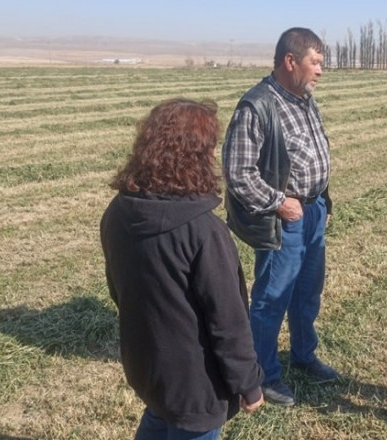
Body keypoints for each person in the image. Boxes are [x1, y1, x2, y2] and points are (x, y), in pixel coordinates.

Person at [100, 98, 264, 440]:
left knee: (159, 418)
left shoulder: (117, 212)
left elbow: (119, 290)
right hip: (196, 386)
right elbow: (228, 322)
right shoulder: (204, 232)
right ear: (197, 156)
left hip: (149, 369)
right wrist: (249, 384)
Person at [222, 27, 338, 407]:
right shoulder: (256, 106)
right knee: (271, 298)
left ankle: (304, 356)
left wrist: (323, 201)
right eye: (315, 62)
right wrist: (279, 203)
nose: (321, 70)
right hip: (283, 217)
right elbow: (239, 173)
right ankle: (264, 374)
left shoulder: (303, 99)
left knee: (307, 293)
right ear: (291, 61)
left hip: (312, 211)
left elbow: (310, 154)